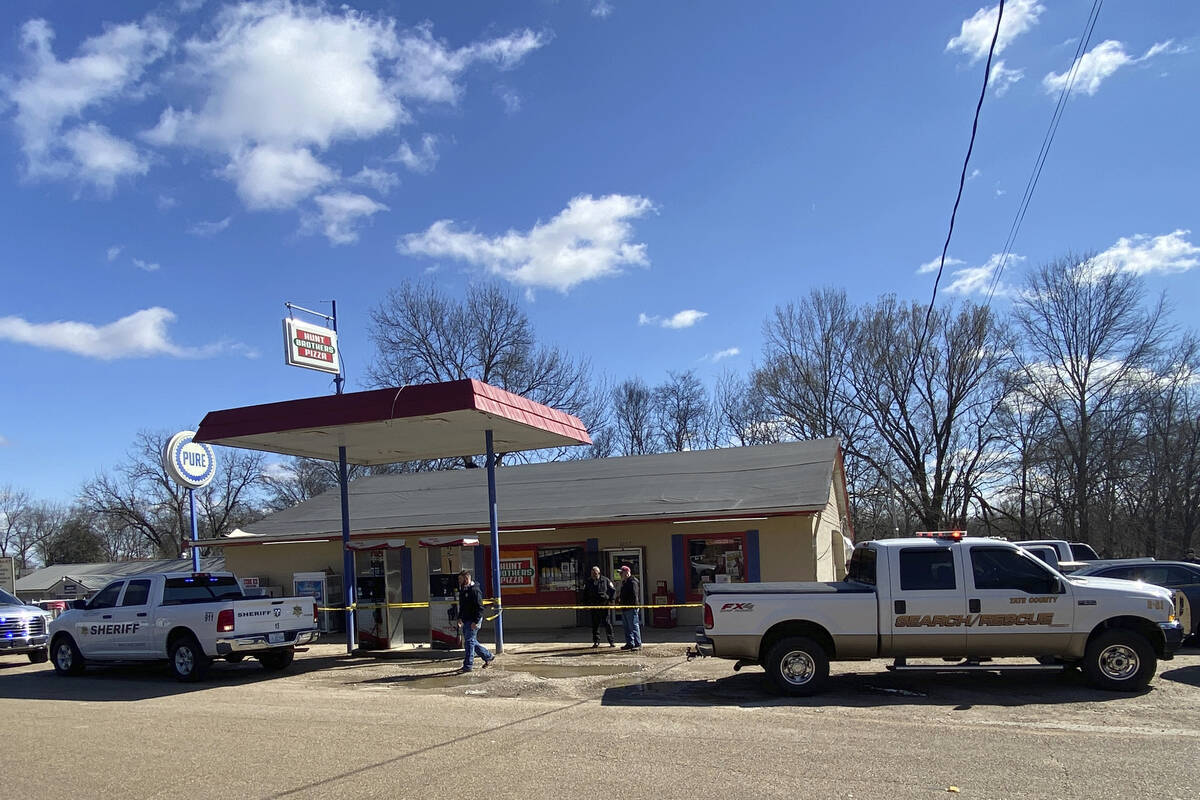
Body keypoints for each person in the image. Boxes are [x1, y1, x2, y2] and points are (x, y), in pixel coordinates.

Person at [457, 569, 494, 672]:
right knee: (472, 641)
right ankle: (488, 656)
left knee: (469, 642)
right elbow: (462, 606)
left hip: (474, 620)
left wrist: (476, 621)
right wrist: (460, 618)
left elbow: (480, 608)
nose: (459, 582)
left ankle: (468, 666)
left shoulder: (475, 590)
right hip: (466, 619)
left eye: (460, 579)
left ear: (467, 578)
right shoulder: (463, 590)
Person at [583, 566, 616, 648]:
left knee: (607, 623)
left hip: (604, 605)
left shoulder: (605, 580)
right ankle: (596, 641)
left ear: (599, 573)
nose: (593, 575)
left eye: (595, 573)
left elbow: (613, 590)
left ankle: (611, 641)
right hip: (594, 605)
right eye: (592, 574)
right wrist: (586, 604)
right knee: (595, 624)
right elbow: (585, 594)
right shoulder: (588, 581)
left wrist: (611, 601)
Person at [617, 564, 642, 651]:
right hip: (625, 608)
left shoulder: (632, 582)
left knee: (634, 626)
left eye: (621, 573)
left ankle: (637, 644)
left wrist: (631, 605)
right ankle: (630, 643)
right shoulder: (625, 582)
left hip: (631, 608)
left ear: (627, 573)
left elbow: (634, 596)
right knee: (627, 627)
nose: (620, 575)